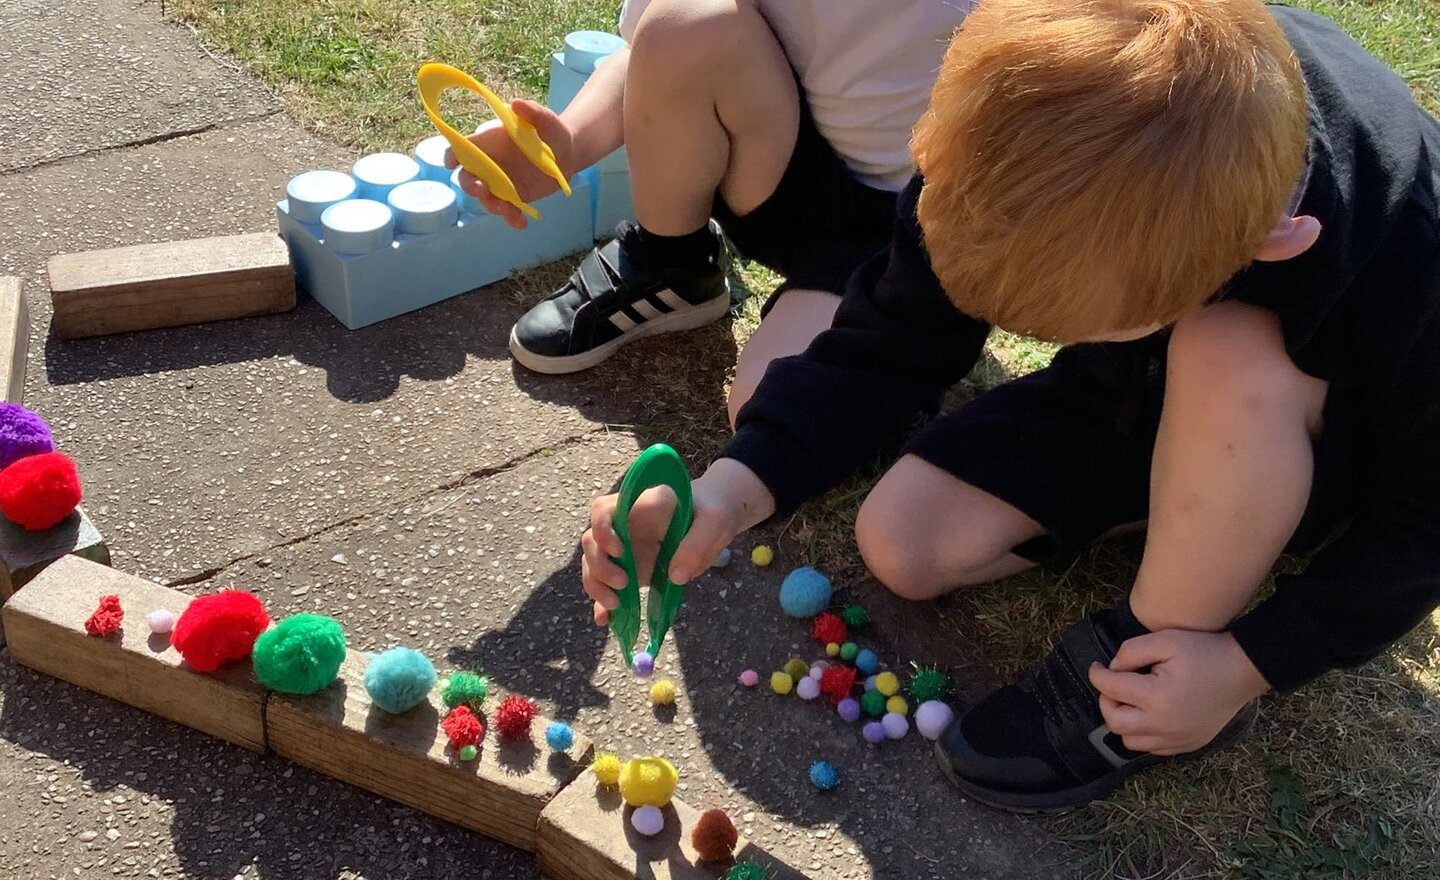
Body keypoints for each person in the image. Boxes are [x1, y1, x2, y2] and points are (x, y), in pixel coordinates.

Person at [578, 0, 1440, 811]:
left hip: (1334, 434)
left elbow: (1423, 527)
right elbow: (893, 338)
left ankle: (1147, 669)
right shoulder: (1015, 131)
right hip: (1142, 386)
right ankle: (1198, 499)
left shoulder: (1410, 251)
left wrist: (1245, 664)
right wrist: (732, 489)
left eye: (1072, 324)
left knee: (1230, 351)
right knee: (904, 544)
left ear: (1268, 246)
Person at [449, 0, 974, 391]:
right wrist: (566, 147)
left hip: (909, 232)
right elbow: (654, 50)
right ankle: (673, 261)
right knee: (687, 20)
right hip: (784, 171)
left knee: (767, 403)